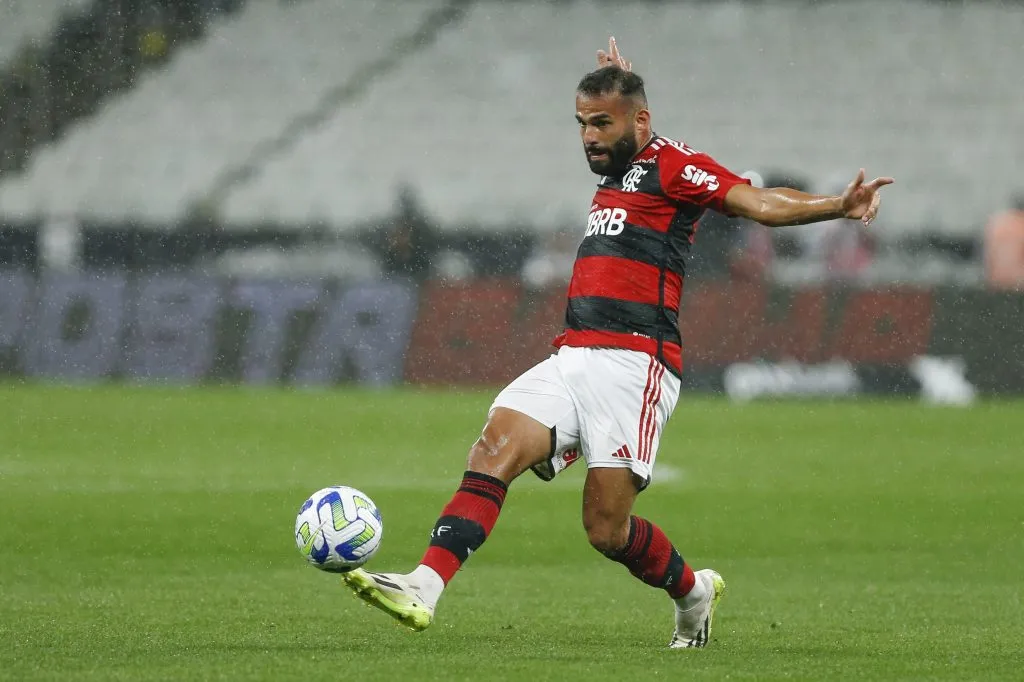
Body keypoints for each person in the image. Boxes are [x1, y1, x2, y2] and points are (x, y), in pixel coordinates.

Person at [340, 38, 893, 649]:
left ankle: (694, 593)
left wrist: (836, 206)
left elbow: (757, 201)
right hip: (572, 353)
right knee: (495, 445)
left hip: (636, 363)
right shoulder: (625, 164)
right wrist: (618, 88)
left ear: (640, 120)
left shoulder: (676, 166)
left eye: (602, 123)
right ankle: (425, 585)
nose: (589, 137)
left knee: (606, 530)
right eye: (582, 124)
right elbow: (631, 127)